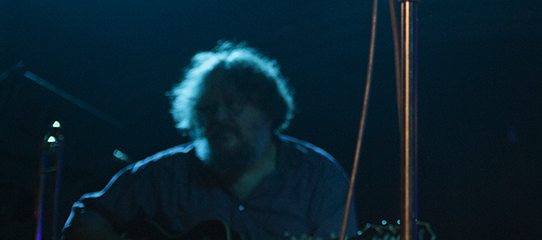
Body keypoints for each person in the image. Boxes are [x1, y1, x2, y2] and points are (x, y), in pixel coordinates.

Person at [63, 42, 357, 240]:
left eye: (233, 105)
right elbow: (84, 219)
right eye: (207, 109)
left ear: (268, 111)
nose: (219, 117)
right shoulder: (163, 175)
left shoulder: (318, 177)